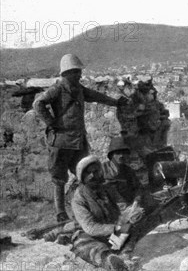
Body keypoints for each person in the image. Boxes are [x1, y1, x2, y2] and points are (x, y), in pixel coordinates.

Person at [34, 54, 126, 222]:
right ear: (66, 73)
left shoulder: (79, 89)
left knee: (86, 175)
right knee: (59, 179)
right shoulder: (57, 89)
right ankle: (60, 213)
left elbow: (97, 96)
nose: (79, 75)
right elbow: (38, 104)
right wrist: (51, 122)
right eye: (75, 72)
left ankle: (89, 209)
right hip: (61, 142)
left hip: (78, 141)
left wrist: (116, 102)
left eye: (79, 71)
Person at [71, 156, 131, 271]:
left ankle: (123, 255)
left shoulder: (108, 189)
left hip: (114, 233)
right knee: (83, 243)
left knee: (130, 229)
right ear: (82, 177)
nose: (93, 176)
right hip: (93, 236)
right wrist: (116, 227)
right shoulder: (78, 199)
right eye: (88, 173)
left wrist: (130, 213)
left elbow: (123, 208)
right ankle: (110, 261)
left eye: (96, 171)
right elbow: (90, 228)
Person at [102, 136, 144, 211]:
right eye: (117, 153)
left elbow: (138, 188)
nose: (121, 156)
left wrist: (136, 202)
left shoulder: (129, 171)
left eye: (124, 153)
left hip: (128, 207)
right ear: (111, 155)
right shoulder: (102, 169)